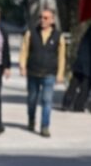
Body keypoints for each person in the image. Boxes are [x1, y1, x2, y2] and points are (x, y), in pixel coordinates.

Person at [18, 8, 65, 137]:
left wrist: (60, 74)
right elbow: (24, 50)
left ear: (52, 20)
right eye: (41, 17)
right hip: (33, 72)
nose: (42, 20)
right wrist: (22, 66)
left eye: (46, 18)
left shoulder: (58, 36)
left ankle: (45, 126)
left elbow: (61, 57)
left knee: (47, 100)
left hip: (49, 73)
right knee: (32, 100)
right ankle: (31, 120)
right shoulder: (31, 33)